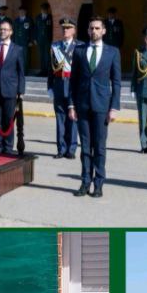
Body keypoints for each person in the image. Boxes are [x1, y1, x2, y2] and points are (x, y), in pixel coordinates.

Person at [68, 16, 121, 197]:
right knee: (85, 147)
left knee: (99, 147)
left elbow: (116, 82)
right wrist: (71, 105)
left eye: (97, 28)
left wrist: (113, 107)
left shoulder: (112, 52)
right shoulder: (79, 51)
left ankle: (98, 184)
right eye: (91, 28)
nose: (94, 31)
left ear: (104, 31)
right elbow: (73, 80)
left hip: (101, 106)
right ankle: (85, 182)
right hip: (82, 105)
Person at [0, 16, 26, 157]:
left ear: (11, 32)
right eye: (1, 29)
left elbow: (21, 72)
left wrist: (21, 91)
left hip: (10, 90)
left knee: (8, 120)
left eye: (5, 29)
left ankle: (8, 147)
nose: (2, 32)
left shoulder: (18, 49)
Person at [48, 17, 79, 158]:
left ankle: (71, 149)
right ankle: (61, 148)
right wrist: (50, 86)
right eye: (63, 28)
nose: (65, 30)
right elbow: (51, 69)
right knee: (60, 118)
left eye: (68, 28)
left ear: (74, 30)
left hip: (73, 86)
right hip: (59, 84)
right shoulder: (55, 46)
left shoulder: (80, 47)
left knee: (72, 118)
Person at [34, 4, 53, 78]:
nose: (43, 10)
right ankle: (42, 71)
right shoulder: (38, 17)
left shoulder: (50, 17)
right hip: (40, 40)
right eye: (42, 9)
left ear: (47, 10)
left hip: (48, 39)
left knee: (47, 56)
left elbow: (52, 29)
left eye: (45, 9)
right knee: (41, 56)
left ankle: (48, 71)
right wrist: (35, 38)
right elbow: (35, 28)